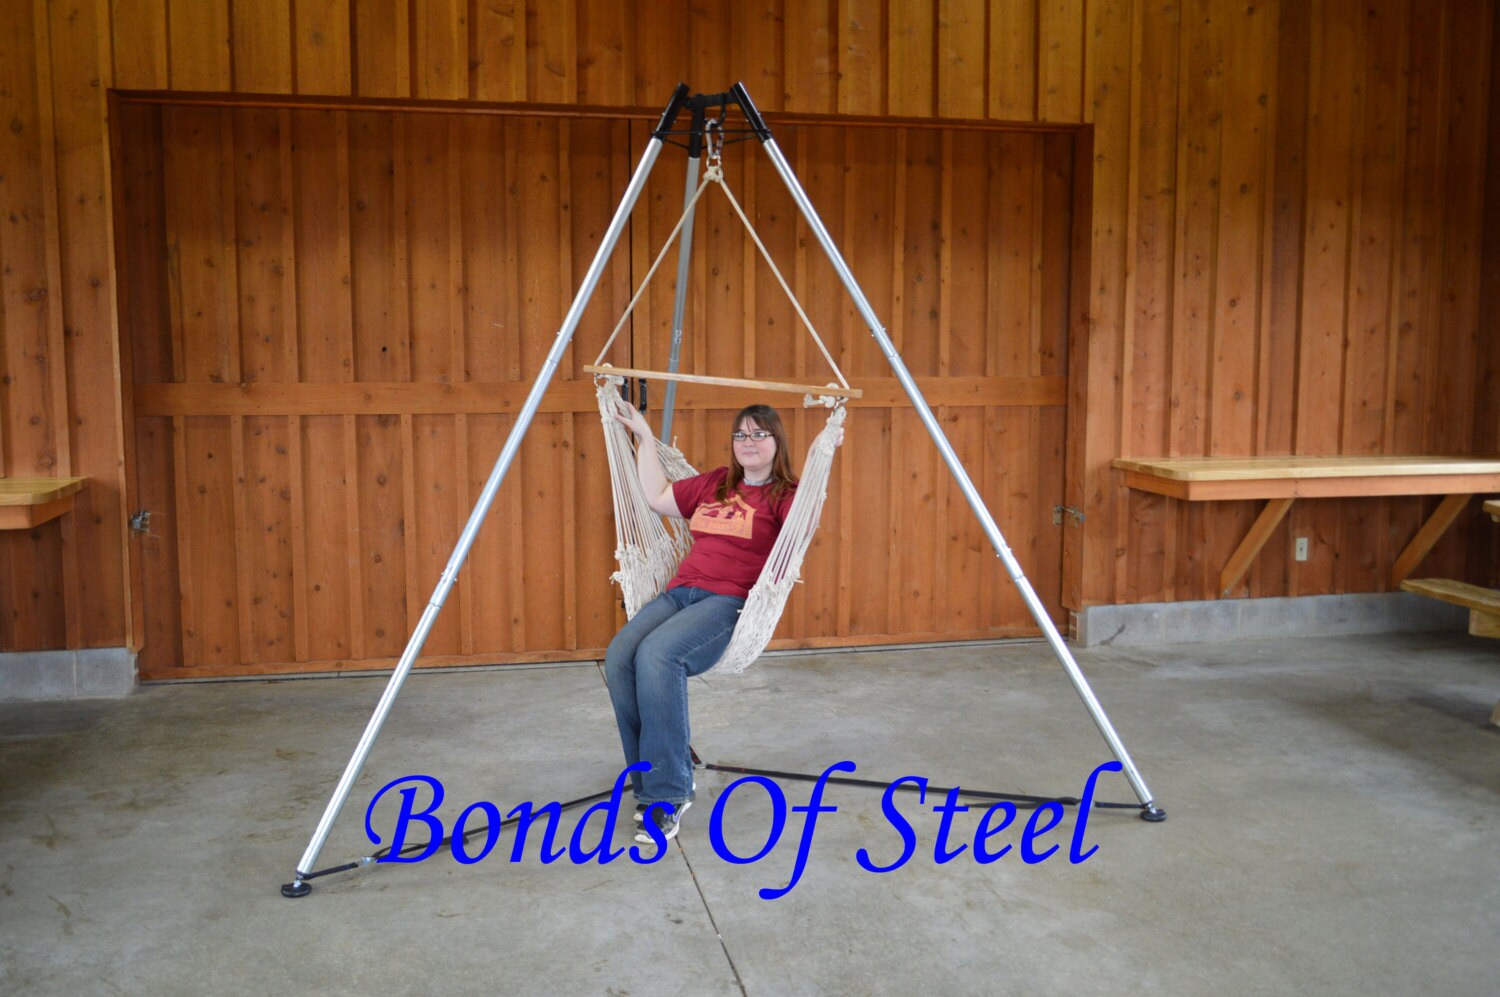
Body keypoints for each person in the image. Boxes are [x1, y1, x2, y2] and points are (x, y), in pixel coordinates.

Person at [605, 400, 803, 845]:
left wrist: (826, 453)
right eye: (741, 434)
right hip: (681, 592)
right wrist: (643, 436)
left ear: (777, 441)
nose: (748, 442)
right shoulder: (716, 483)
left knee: (659, 655)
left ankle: (670, 793)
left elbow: (800, 530)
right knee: (620, 656)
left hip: (728, 603)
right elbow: (658, 497)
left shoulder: (785, 495)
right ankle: (651, 775)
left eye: (759, 434)